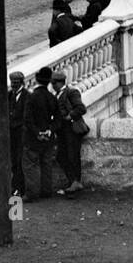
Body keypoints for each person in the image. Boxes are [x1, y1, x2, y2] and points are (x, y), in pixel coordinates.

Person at [22, 67, 58, 201]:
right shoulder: (52, 97)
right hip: (48, 138)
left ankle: (31, 193)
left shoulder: (32, 97)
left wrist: (37, 132)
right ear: (49, 81)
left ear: (36, 79)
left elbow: (27, 119)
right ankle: (46, 190)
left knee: (31, 165)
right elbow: (58, 118)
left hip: (33, 138)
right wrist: (49, 130)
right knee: (46, 164)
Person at [52, 70, 88, 195]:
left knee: (72, 156)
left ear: (58, 82)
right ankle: (72, 180)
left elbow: (81, 108)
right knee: (61, 156)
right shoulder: (58, 94)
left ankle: (76, 181)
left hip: (72, 129)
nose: (52, 85)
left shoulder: (72, 92)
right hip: (62, 131)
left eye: (53, 83)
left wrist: (70, 116)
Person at [7, 71, 28, 198]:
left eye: (16, 82)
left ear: (21, 82)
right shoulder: (9, 95)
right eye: (12, 82)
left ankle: (21, 188)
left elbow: (27, 116)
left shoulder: (27, 96)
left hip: (22, 134)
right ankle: (15, 187)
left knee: (21, 162)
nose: (14, 84)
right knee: (14, 162)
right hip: (12, 135)